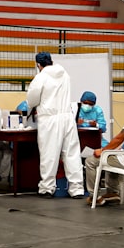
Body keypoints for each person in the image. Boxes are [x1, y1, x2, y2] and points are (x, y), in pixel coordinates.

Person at [26, 52, 85, 198]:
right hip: (67, 117)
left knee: (49, 154)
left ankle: (47, 187)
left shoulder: (41, 77)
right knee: (72, 154)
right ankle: (77, 189)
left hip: (49, 119)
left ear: (38, 65)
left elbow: (32, 100)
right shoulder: (64, 73)